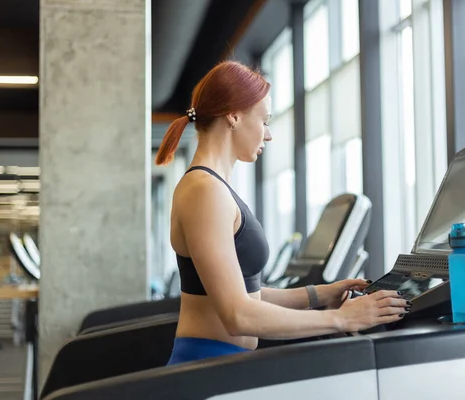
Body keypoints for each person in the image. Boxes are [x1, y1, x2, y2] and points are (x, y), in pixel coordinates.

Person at [155, 60, 410, 366]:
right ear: (234, 115)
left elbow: (248, 295)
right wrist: (344, 319)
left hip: (223, 363)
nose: (269, 134)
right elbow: (238, 314)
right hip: (205, 367)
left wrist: (319, 294)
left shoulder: (212, 187)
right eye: (264, 121)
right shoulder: (204, 191)